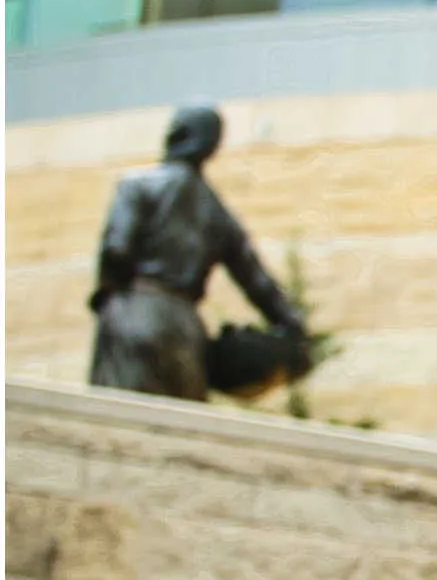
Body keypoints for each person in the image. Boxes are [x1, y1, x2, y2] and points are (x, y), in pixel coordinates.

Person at [88, 104, 306, 401]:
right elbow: (257, 282)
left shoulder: (136, 185)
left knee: (117, 421)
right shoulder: (216, 212)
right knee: (182, 432)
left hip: (133, 311)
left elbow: (116, 249)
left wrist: (110, 295)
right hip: (186, 330)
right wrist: (294, 326)